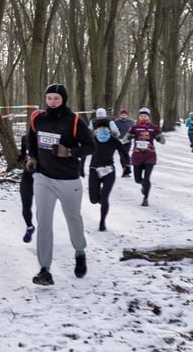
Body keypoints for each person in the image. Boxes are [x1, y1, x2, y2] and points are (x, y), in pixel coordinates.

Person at [25, 83, 95, 286]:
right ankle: (44, 269)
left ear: (63, 99)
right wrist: (32, 157)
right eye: (49, 98)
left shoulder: (73, 120)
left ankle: (80, 251)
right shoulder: (38, 119)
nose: (52, 102)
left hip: (68, 179)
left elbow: (92, 146)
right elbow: (31, 139)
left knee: (73, 218)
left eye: (56, 98)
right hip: (43, 178)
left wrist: (70, 152)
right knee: (44, 221)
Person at [88, 113, 121, 231]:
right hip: (94, 170)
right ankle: (99, 194)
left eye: (105, 128)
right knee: (93, 200)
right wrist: (79, 167)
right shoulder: (92, 140)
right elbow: (82, 151)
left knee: (104, 199)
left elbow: (123, 152)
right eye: (99, 128)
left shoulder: (113, 140)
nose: (102, 130)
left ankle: (102, 222)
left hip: (109, 171)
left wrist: (126, 165)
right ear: (95, 130)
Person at [128, 107, 165, 206]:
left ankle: (145, 198)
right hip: (137, 155)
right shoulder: (135, 127)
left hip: (150, 155)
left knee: (147, 178)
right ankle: (143, 185)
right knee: (137, 179)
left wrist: (159, 138)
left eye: (145, 116)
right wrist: (128, 137)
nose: (143, 117)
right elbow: (125, 139)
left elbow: (163, 141)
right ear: (139, 117)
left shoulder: (154, 127)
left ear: (148, 117)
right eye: (141, 116)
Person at [16, 111, 42, 243]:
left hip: (43, 177)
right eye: (34, 121)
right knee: (26, 205)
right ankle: (29, 226)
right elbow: (23, 154)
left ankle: (44, 231)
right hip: (27, 176)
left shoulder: (47, 139)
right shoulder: (25, 138)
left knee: (42, 207)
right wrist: (19, 157)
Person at [113, 109, 134, 177]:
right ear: (120, 115)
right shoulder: (116, 122)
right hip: (119, 141)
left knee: (126, 155)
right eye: (122, 115)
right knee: (122, 156)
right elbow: (114, 131)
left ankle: (127, 170)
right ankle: (124, 169)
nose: (123, 116)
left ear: (127, 115)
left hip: (127, 141)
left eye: (125, 115)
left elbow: (133, 131)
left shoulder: (131, 122)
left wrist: (132, 136)